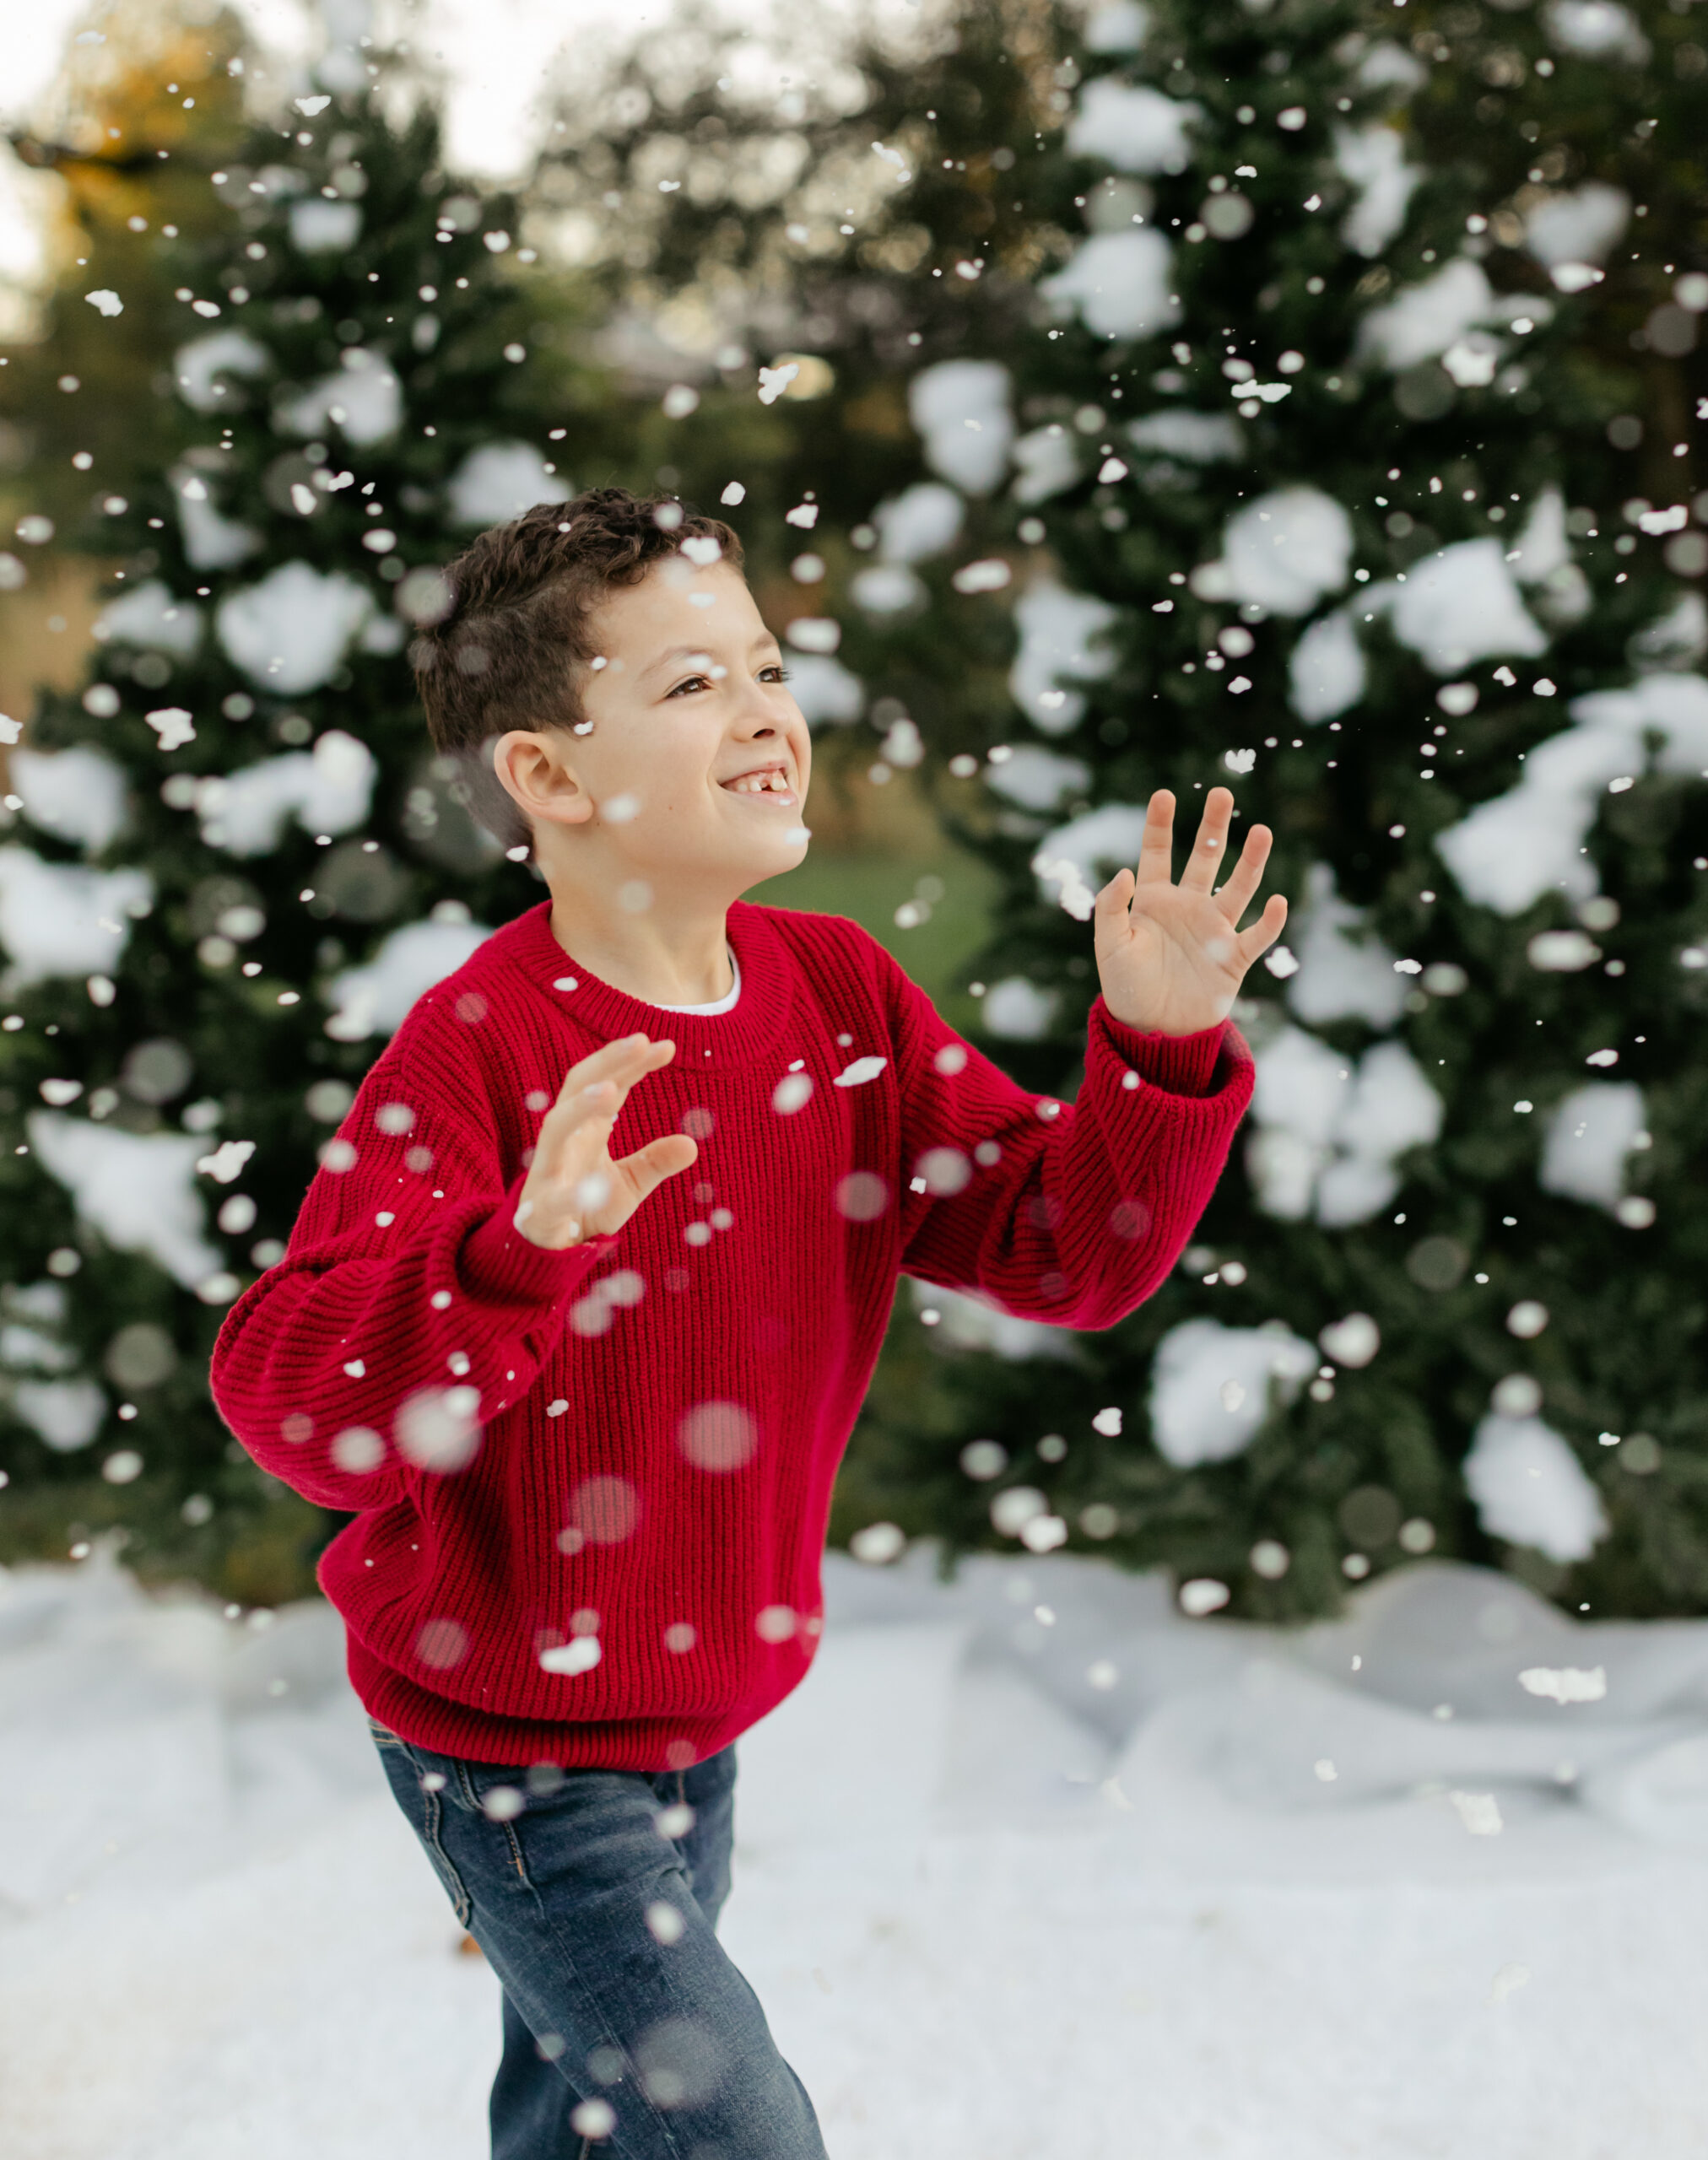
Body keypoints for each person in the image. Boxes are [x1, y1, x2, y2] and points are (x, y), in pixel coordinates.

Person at [209, 487, 1287, 2158]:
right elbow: (299, 1408)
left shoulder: (839, 995)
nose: (766, 709)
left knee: (588, 2117)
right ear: (551, 777)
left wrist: (1152, 1054)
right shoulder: (478, 1049)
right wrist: (514, 1251)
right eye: (692, 682)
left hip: (691, 1704)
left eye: (766, 663)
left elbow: (1060, 1248)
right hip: (505, 1736)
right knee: (731, 2130)